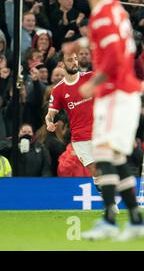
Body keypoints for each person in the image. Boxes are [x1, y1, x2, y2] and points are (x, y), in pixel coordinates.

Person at [63, 0, 144, 241]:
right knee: (114, 156)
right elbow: (119, 44)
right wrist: (82, 44)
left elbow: (112, 54)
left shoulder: (100, 14)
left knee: (102, 153)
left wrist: (94, 83)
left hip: (113, 93)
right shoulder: (117, 10)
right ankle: (135, 220)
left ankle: (111, 221)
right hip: (125, 92)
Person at [46, 52, 120, 210]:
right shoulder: (58, 90)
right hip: (79, 137)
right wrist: (49, 122)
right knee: (95, 170)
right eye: (69, 60)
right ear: (61, 64)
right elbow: (50, 113)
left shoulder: (90, 77)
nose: (74, 62)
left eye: (75, 59)